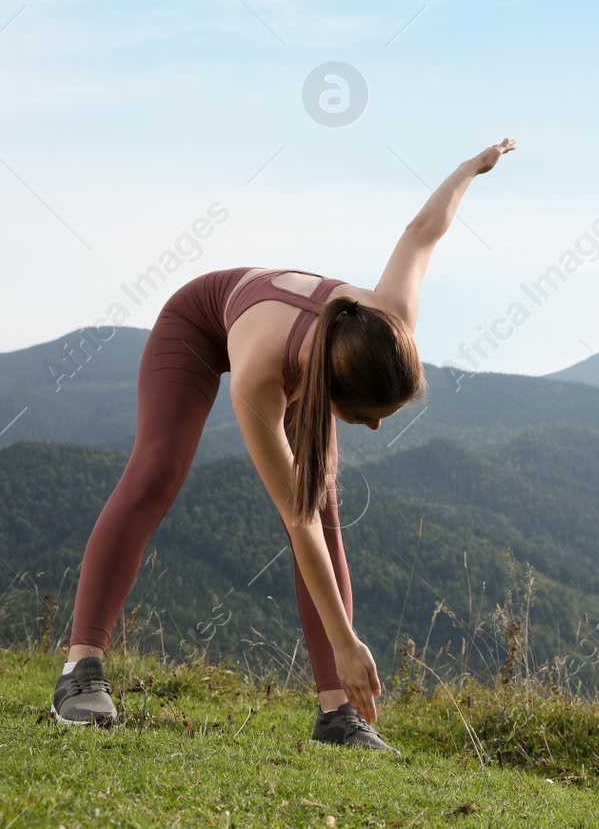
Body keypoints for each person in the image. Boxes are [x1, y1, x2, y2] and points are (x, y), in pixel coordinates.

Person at [51, 138, 517, 750]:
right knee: (158, 470)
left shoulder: (390, 318)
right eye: (367, 417)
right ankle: (78, 671)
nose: (374, 429)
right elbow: (295, 522)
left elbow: (422, 232)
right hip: (199, 324)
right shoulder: (258, 380)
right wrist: (349, 643)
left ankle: (337, 717)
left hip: (303, 348)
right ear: (335, 389)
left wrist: (468, 170)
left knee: (327, 504)